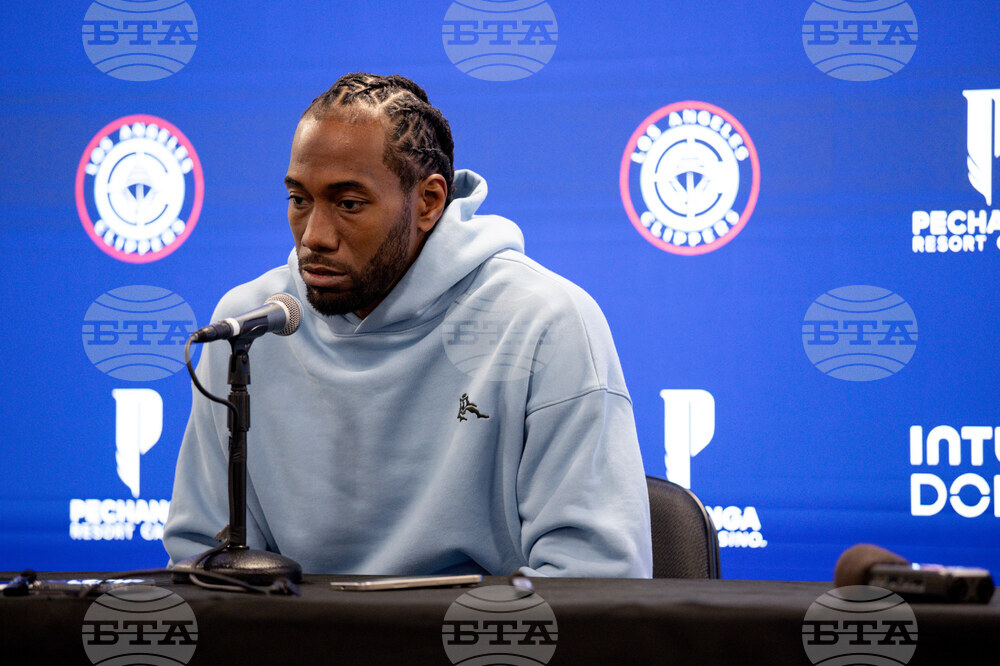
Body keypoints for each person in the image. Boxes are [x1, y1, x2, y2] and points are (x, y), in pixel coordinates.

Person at [163, 73, 652, 578]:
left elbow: (595, 578)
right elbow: (205, 560)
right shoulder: (251, 327)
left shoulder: (543, 323)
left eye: (348, 204)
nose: (314, 236)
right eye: (299, 200)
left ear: (429, 201)